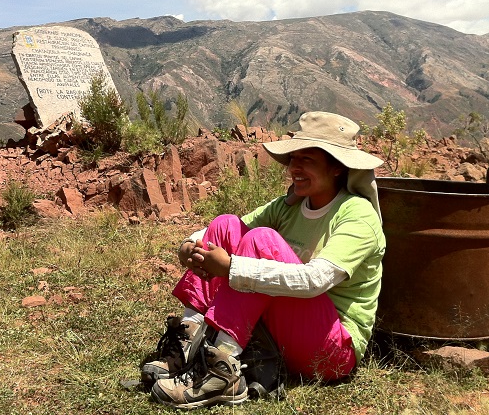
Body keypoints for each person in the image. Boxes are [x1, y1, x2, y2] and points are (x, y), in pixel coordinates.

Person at [141, 111, 386, 408]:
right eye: (293, 158)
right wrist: (189, 245)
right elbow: (222, 232)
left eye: (306, 159)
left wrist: (231, 267)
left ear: (337, 168)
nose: (294, 167)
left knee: (261, 240)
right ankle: (187, 347)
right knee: (226, 224)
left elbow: (315, 280)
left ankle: (222, 368)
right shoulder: (291, 205)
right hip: (286, 329)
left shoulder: (357, 215)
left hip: (331, 349)